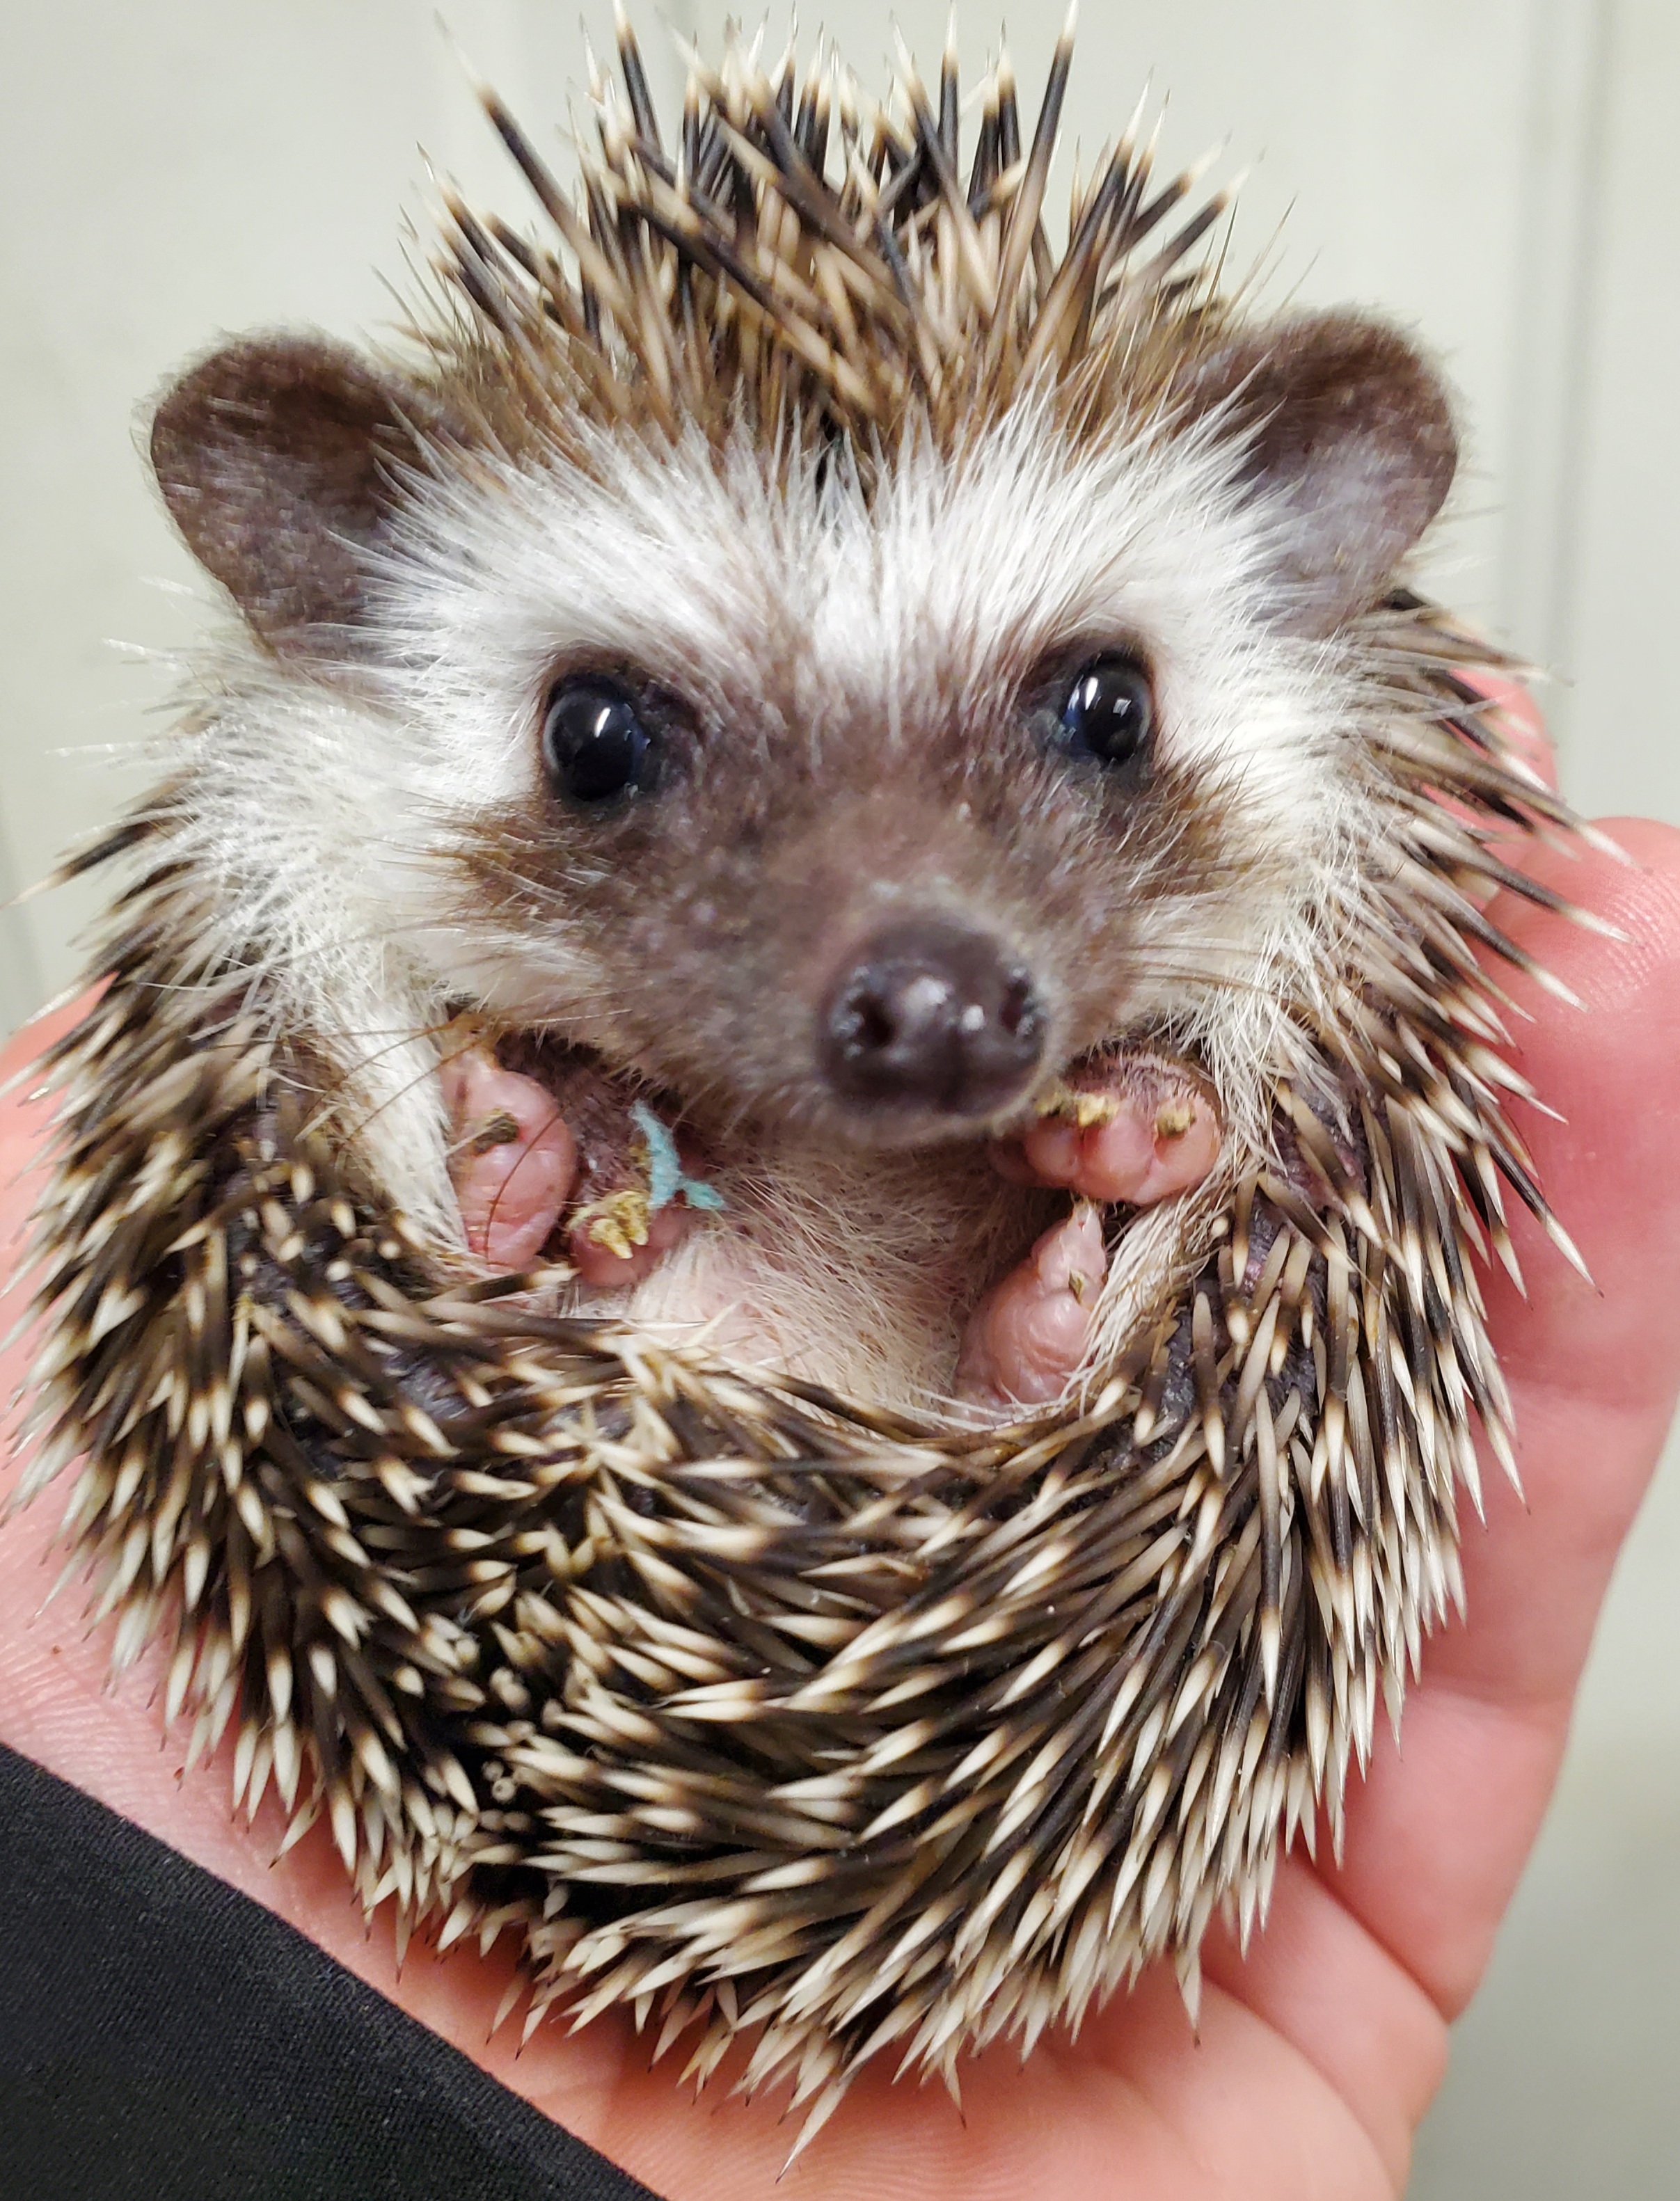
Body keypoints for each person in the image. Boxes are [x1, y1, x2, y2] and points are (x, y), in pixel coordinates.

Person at [1, 701, 1676, 2200]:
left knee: (1220, 1236)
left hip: (904, 1453)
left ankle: (986, 1364)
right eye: (612, 743)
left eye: (1086, 716)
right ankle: (904, 1319)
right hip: (680, 1347)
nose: (886, 934)